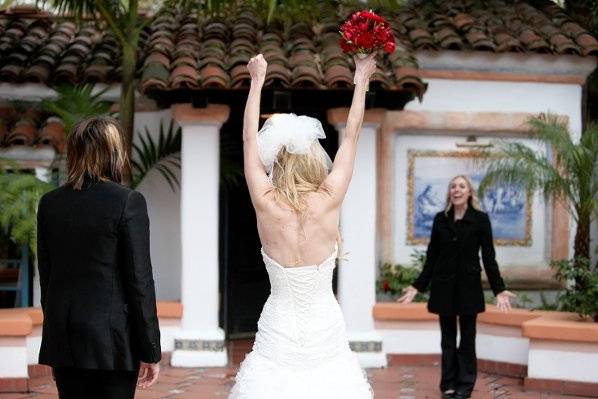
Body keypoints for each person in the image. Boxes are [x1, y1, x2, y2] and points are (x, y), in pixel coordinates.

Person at [228, 53, 376, 399]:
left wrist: (256, 80)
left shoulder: (266, 201)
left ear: (278, 162)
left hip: (278, 327)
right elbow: (352, 135)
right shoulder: (329, 197)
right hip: (325, 326)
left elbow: (250, 140)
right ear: (315, 159)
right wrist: (361, 77)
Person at [37, 116, 161, 399]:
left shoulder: (49, 204)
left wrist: (57, 336)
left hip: (66, 341)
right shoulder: (127, 201)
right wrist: (150, 349)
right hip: (113, 344)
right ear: (113, 153)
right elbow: (139, 282)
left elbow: (48, 278)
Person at [398, 175, 516, 399]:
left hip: (469, 287)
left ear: (469, 192)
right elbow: (432, 257)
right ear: (449, 192)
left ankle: (465, 385)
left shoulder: (480, 219)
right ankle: (448, 384)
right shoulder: (440, 219)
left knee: (467, 339)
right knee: (448, 339)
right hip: (444, 287)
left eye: (462, 186)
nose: (457, 189)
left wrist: (498, 289)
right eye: (453, 186)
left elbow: (489, 258)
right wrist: (417, 286)